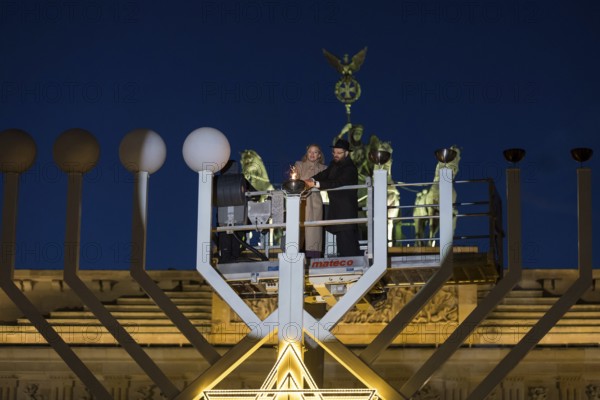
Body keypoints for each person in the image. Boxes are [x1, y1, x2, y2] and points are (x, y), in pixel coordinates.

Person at [304, 139, 361, 257]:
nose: (336, 155)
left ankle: (353, 268)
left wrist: (315, 185)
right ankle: (347, 268)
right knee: (342, 245)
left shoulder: (350, 168)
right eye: (334, 152)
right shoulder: (334, 164)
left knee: (348, 245)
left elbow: (337, 183)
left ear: (346, 153)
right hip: (338, 210)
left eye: (339, 153)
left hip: (346, 212)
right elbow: (324, 175)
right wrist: (311, 179)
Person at [294, 144, 327, 258]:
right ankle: (295, 254)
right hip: (300, 201)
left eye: (315, 152)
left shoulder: (324, 168)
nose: (312, 154)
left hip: (315, 201)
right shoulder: (299, 165)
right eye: (310, 152)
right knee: (298, 227)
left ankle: (313, 255)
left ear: (319, 155)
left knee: (314, 229)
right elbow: (294, 180)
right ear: (306, 153)